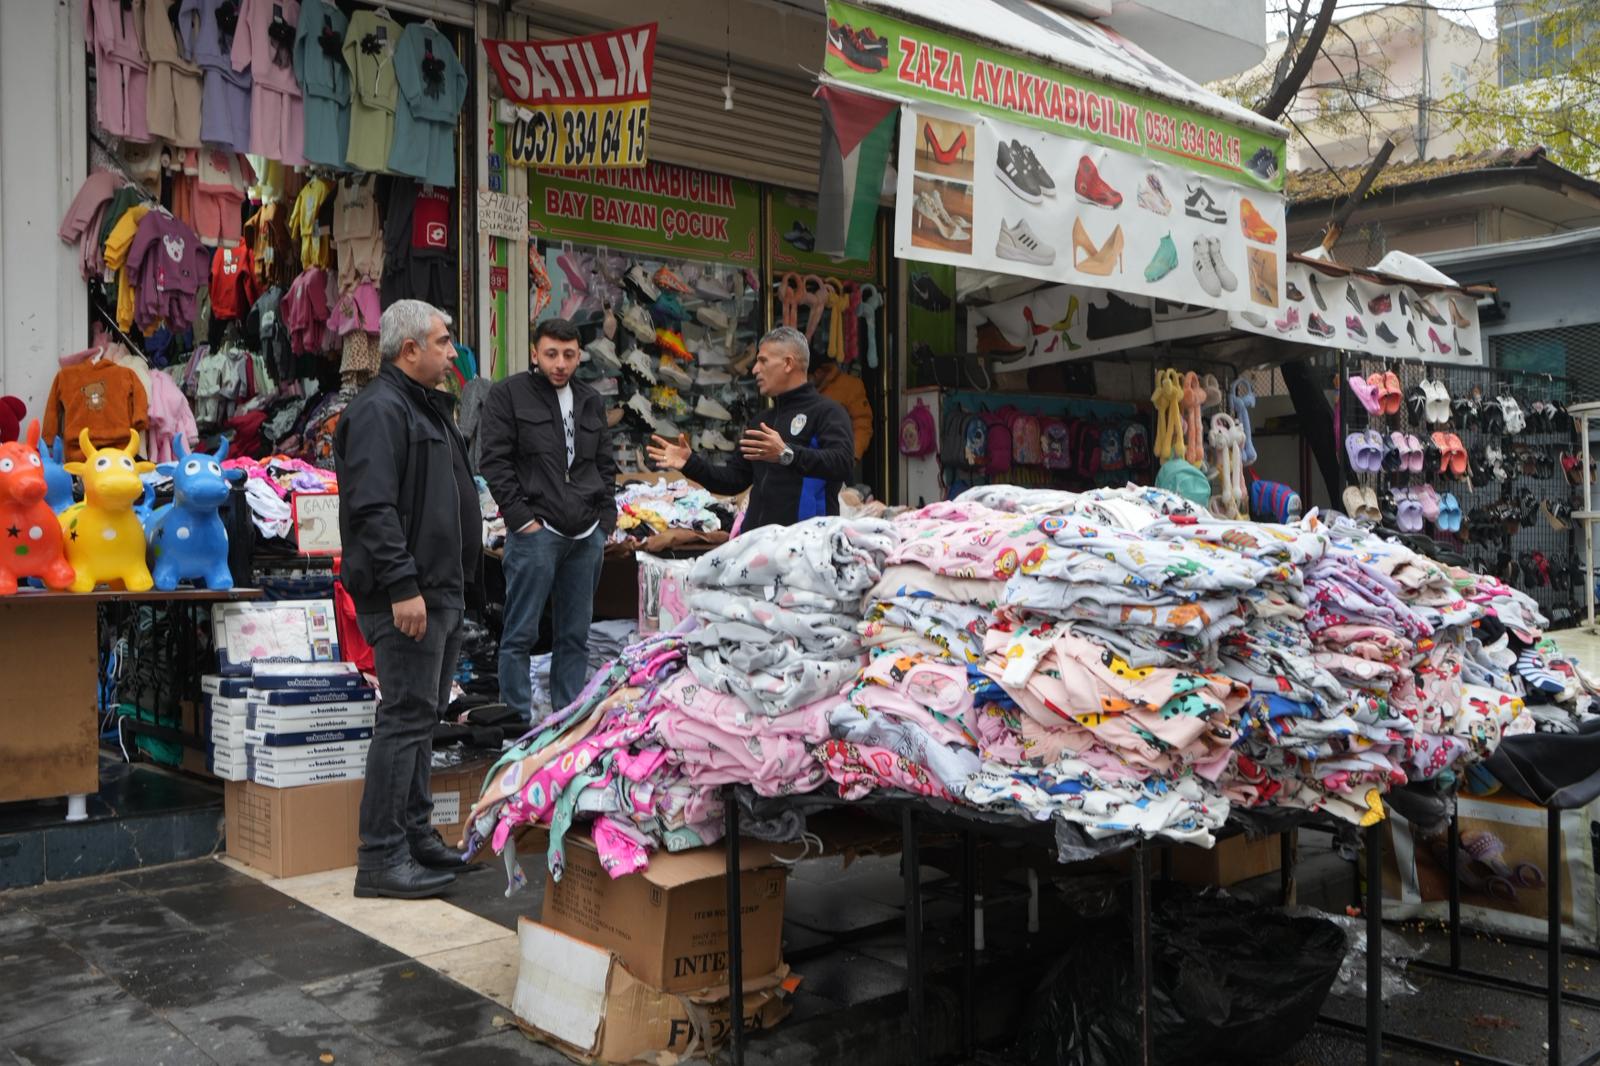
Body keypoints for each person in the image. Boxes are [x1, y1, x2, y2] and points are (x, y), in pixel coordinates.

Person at [335, 299, 481, 900]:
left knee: (423, 717)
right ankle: (381, 856)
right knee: (403, 718)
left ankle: (415, 835)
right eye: (443, 342)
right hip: (408, 595)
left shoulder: (424, 404)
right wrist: (402, 586)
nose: (452, 353)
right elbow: (372, 508)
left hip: (438, 590)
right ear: (410, 348)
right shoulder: (379, 409)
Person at [478, 317, 617, 725]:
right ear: (534, 353)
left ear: (579, 355)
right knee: (520, 632)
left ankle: (567, 720)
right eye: (551, 354)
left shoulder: (590, 399)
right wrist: (522, 520)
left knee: (575, 635)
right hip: (536, 532)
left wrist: (605, 521)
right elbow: (494, 462)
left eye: (569, 355)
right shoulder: (509, 395)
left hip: (586, 533)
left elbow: (604, 464)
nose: (560, 363)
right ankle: (516, 723)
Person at [646, 325, 854, 531]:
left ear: (788, 363)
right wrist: (690, 463)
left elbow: (843, 463)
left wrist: (786, 454)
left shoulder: (827, 412)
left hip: (805, 543)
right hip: (757, 544)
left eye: (763, 361)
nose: (755, 369)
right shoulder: (762, 421)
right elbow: (734, 480)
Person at [810, 352, 872, 473]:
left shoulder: (850, 386)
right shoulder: (806, 389)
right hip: (808, 460)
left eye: (808, 378)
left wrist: (853, 455)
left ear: (818, 373)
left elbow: (862, 423)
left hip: (837, 459)